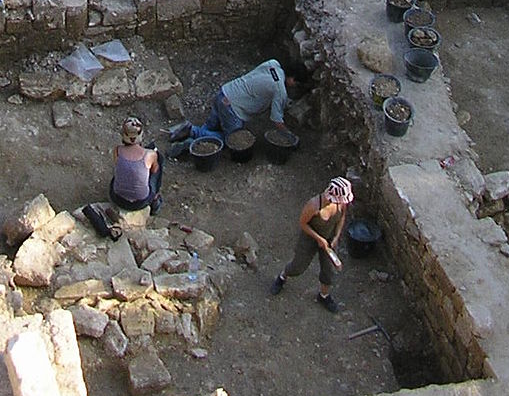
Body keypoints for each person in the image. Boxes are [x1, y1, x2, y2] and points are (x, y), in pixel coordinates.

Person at [170, 59, 306, 153]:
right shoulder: (279, 90)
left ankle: (191, 137)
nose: (294, 86)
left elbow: (262, 84)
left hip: (224, 93)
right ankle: (192, 132)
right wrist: (290, 136)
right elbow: (277, 120)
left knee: (212, 125)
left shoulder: (272, 64)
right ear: (292, 78)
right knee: (232, 142)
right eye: (296, 83)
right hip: (232, 109)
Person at [270, 176, 353, 312]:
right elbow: (303, 223)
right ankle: (282, 276)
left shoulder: (340, 203)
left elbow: (341, 218)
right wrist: (319, 239)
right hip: (310, 237)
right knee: (298, 266)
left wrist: (336, 237)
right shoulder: (314, 205)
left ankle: (324, 296)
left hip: (329, 238)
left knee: (329, 270)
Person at [109, 116, 163, 215]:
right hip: (141, 202)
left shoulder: (117, 150)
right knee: (159, 160)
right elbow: (154, 170)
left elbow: (118, 165)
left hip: (117, 198)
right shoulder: (150, 155)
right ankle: (155, 201)